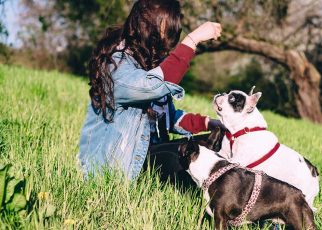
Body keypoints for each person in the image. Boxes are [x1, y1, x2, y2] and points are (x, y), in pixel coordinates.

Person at [78, 0, 223, 180]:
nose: (167, 42)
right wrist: (192, 40)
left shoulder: (147, 63)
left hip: (148, 156)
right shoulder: (117, 64)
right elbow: (153, 86)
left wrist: (209, 123)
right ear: (148, 28)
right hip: (119, 168)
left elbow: (167, 118)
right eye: (166, 32)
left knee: (214, 143)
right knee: (188, 157)